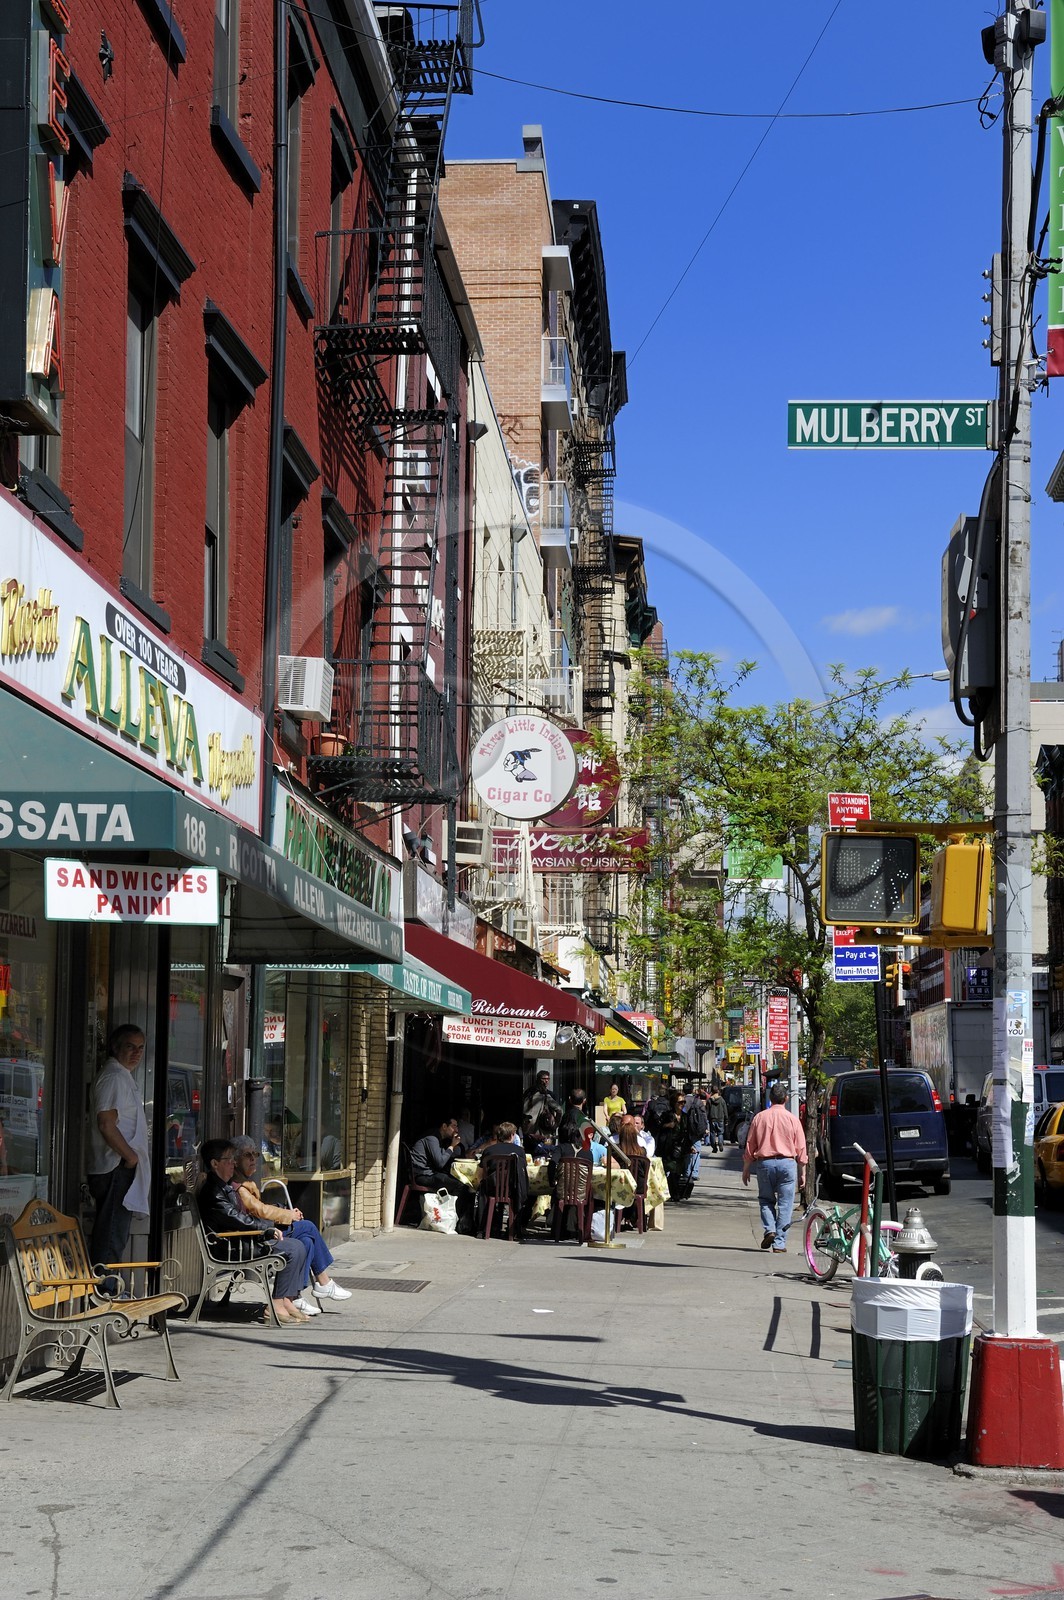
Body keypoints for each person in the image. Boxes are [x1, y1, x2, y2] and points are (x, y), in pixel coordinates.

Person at [229, 1136, 352, 1315]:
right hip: (257, 1235)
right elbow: (260, 1210)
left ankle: (294, 1297)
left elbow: (261, 1210)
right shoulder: (239, 1186)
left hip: (262, 1230)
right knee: (308, 1227)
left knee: (306, 1242)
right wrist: (289, 1215)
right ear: (235, 1159)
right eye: (248, 1155)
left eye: (255, 1154)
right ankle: (323, 1282)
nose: (254, 1159)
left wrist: (286, 1213)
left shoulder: (245, 1182)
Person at [197, 1138, 310, 1323]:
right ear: (215, 1164)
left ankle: (286, 1300)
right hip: (231, 1246)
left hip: (240, 1240)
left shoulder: (224, 1187)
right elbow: (238, 1219)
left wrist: (266, 1227)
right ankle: (275, 1305)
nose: (233, 1163)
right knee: (291, 1249)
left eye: (233, 1158)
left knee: (299, 1245)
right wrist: (267, 1228)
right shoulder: (214, 1192)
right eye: (228, 1159)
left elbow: (241, 1217)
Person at [87, 1024, 151, 1292]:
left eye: (140, 1048)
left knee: (116, 1233)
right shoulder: (113, 1077)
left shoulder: (122, 1076)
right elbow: (106, 1123)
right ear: (116, 1047)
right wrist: (130, 1157)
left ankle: (109, 1289)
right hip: (114, 1167)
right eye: (130, 1046)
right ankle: (105, 1294)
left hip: (120, 1166)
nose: (136, 1053)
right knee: (111, 1233)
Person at [742, 1082, 808, 1253]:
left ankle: (769, 1229)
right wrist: (803, 1173)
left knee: (765, 1200)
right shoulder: (793, 1119)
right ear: (786, 1098)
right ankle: (779, 1242)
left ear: (770, 1099)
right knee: (785, 1204)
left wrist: (746, 1167)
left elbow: (750, 1144)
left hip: (765, 1163)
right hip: (787, 1163)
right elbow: (801, 1148)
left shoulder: (760, 1118)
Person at [410, 1117, 474, 1229]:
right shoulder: (432, 1138)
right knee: (460, 1185)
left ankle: (448, 1215)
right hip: (422, 1175)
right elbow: (440, 1163)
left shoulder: (438, 1139)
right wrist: (452, 1146)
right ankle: (454, 1219)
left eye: (457, 1126)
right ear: (444, 1126)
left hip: (428, 1173)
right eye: (454, 1126)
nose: (457, 1130)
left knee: (455, 1181)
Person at [476, 1122, 530, 1238]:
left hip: (492, 1188)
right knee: (520, 1188)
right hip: (512, 1189)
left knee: (482, 1187)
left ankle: (482, 1228)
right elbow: (523, 1171)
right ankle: (514, 1229)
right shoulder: (520, 1151)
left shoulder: (489, 1150)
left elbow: (480, 1173)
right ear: (512, 1135)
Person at [522, 1072, 562, 1137]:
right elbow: (559, 1110)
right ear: (538, 1080)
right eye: (543, 1079)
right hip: (538, 1129)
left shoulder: (548, 1094)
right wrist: (556, 1124)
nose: (546, 1081)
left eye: (548, 1079)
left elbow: (557, 1110)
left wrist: (555, 1124)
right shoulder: (537, 1094)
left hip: (538, 1127)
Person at [707, 1087, 726, 1153]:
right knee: (720, 1132)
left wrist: (707, 1118)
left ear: (711, 1091)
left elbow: (707, 1111)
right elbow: (725, 1110)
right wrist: (726, 1119)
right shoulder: (722, 1100)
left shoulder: (709, 1100)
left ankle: (714, 1148)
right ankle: (720, 1142)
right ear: (718, 1091)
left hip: (712, 1119)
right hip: (720, 1118)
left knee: (712, 1133)